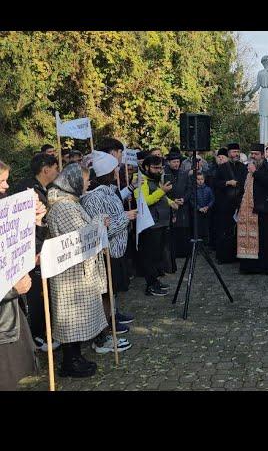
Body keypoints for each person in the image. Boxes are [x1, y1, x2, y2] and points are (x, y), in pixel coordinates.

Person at [46, 163, 111, 377]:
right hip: (70, 275)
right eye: (85, 180)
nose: (89, 182)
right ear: (73, 181)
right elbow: (79, 237)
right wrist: (99, 222)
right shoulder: (64, 206)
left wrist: (98, 223)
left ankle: (74, 358)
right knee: (71, 319)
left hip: (76, 272)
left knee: (77, 321)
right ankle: (69, 362)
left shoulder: (70, 201)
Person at [81, 151, 135, 353]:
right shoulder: (93, 198)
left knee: (112, 293)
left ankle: (109, 324)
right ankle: (102, 335)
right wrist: (126, 217)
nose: (118, 170)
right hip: (106, 252)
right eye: (115, 168)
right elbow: (102, 230)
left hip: (117, 252)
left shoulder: (109, 191)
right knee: (105, 294)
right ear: (107, 172)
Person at [0, 160, 41, 390]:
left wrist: (33, 223)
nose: (6, 187)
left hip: (10, 319)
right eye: (1, 181)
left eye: (7, 180)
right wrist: (13, 288)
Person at [12, 153, 59, 352]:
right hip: (32, 254)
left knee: (42, 293)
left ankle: (43, 331)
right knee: (35, 296)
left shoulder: (44, 189)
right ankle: (37, 335)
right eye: (56, 167)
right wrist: (34, 250)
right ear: (45, 169)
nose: (58, 171)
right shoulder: (26, 190)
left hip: (41, 249)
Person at [135, 155, 179, 296]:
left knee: (157, 256)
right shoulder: (141, 180)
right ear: (146, 167)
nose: (159, 170)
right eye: (155, 168)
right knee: (150, 256)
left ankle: (155, 281)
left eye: (160, 167)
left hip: (160, 223)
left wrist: (171, 202)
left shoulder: (154, 180)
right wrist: (162, 191)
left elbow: (161, 196)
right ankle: (150, 286)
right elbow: (144, 201)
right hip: (150, 225)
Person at [237, 144, 268, 274]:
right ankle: (250, 267)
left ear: (262, 155)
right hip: (250, 210)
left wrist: (255, 173)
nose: (253, 156)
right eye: (252, 154)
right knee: (252, 240)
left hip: (265, 210)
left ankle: (265, 267)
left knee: (266, 241)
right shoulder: (248, 169)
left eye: (256, 154)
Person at [213, 143, 247, 264]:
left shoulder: (243, 167)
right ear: (229, 153)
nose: (236, 154)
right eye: (233, 152)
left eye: (238, 152)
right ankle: (223, 257)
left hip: (239, 203)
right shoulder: (222, 167)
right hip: (224, 204)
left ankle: (237, 256)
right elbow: (215, 183)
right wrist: (227, 183)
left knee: (237, 230)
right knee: (224, 230)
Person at [164, 151, 191, 258]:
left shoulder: (184, 174)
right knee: (172, 229)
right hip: (170, 205)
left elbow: (189, 189)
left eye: (178, 162)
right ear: (169, 162)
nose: (176, 164)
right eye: (174, 162)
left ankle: (183, 252)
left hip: (183, 205)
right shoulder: (165, 174)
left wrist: (184, 199)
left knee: (183, 229)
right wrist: (172, 200)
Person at [192, 171, 214, 245]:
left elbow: (212, 199)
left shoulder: (208, 189)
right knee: (198, 230)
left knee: (206, 229)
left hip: (206, 213)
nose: (200, 181)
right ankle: (198, 246)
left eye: (201, 179)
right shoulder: (193, 190)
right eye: (198, 179)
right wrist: (199, 208)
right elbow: (192, 201)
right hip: (197, 214)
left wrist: (207, 207)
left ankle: (206, 246)